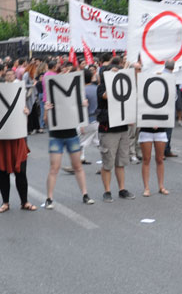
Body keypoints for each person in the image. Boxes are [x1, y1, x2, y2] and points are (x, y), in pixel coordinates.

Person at [0, 71, 36, 213]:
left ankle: (24, 201)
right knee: (3, 173)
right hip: (0, 143)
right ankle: (5, 202)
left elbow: (23, 123)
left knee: (21, 172)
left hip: (16, 141)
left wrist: (25, 114)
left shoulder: (15, 98)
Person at [43, 76, 95, 208]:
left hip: (71, 135)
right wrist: (46, 110)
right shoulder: (51, 101)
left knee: (77, 166)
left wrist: (83, 107)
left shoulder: (74, 99)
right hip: (56, 136)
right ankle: (49, 198)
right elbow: (47, 122)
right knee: (54, 168)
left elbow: (80, 117)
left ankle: (85, 194)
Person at [95, 59, 135, 203]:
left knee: (121, 162)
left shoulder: (123, 86)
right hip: (108, 130)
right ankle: (107, 191)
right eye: (114, 73)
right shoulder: (101, 88)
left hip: (122, 128)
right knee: (108, 163)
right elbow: (106, 95)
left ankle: (122, 189)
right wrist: (114, 77)